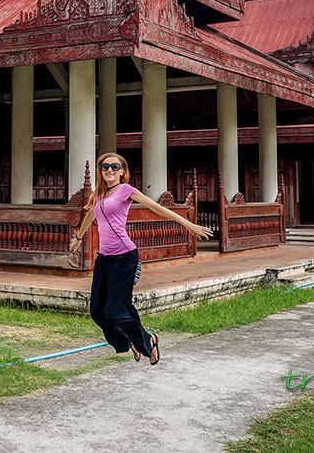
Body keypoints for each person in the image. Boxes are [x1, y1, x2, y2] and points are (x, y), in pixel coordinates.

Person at [69, 152, 211, 365]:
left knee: (114, 310)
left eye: (115, 167)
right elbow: (90, 215)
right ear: (100, 171)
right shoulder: (97, 195)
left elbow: (157, 208)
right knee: (97, 311)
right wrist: (78, 238)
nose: (109, 170)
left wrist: (188, 224)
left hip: (125, 257)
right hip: (104, 259)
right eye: (105, 166)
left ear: (122, 171)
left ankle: (146, 340)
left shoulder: (126, 190)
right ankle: (130, 341)